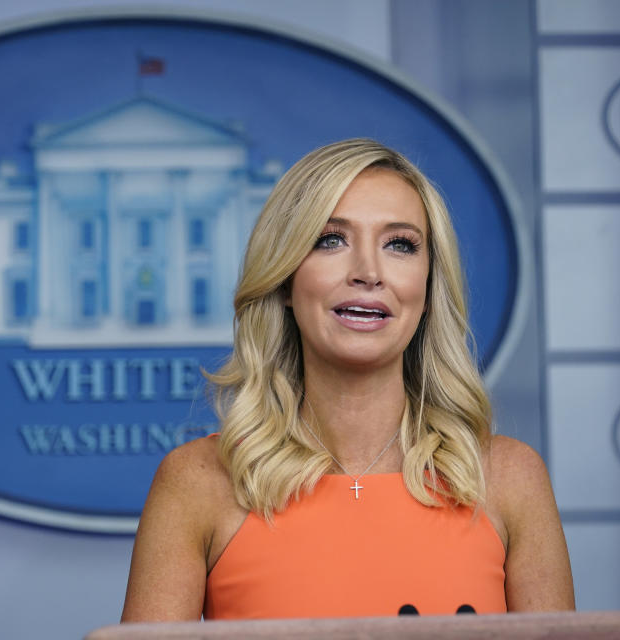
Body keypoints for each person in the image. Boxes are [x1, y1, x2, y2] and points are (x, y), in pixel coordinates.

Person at [121, 139, 574, 621]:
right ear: (285, 280)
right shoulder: (197, 484)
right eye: (330, 239)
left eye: (399, 244)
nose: (367, 272)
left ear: (427, 286)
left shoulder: (510, 479)